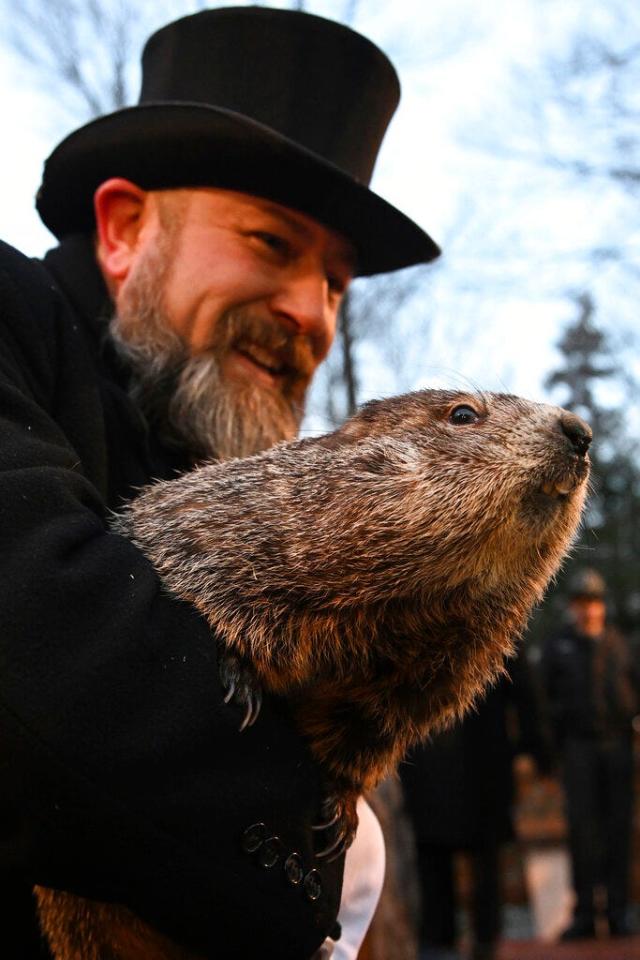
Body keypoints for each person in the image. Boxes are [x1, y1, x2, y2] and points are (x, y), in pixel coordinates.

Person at [0, 7, 440, 958]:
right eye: (272, 244)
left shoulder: (209, 447)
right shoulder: (13, 321)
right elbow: (43, 664)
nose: (311, 314)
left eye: (337, 281)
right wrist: (325, 848)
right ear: (124, 228)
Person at [400, 651, 551, 960]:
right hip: (479, 758)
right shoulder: (494, 616)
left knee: (441, 857)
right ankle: (479, 937)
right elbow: (525, 691)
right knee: (475, 856)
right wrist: (537, 749)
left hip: (443, 756)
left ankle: (445, 939)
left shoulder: (415, 617)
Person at [541, 568, 638, 941]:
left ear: (603, 607)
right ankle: (583, 914)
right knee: (581, 832)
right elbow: (545, 703)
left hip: (617, 747)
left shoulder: (620, 644)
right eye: (582, 603)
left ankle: (618, 912)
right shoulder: (557, 646)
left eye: (594, 603)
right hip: (577, 748)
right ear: (572, 607)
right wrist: (549, 754)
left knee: (618, 830)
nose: (589, 611)